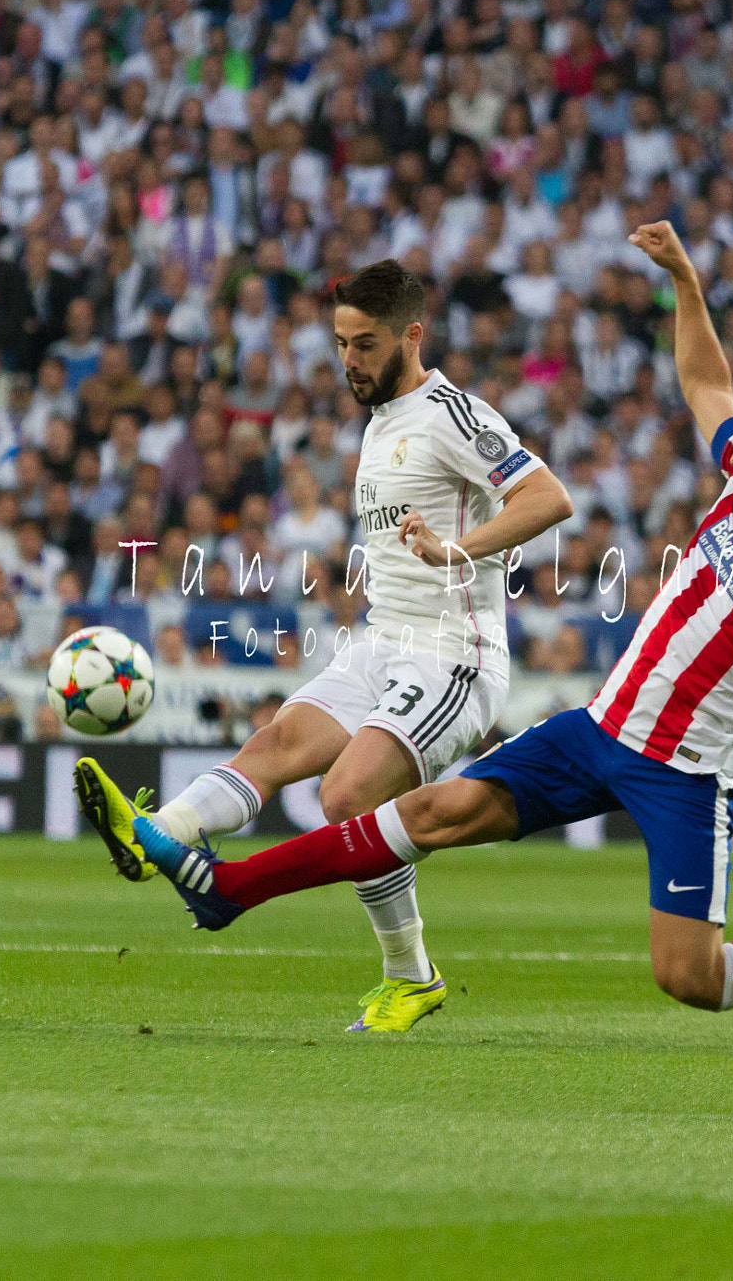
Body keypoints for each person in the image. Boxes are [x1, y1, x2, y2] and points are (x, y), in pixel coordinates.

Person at [76, 223, 733, 1049]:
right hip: (599, 729)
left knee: (689, 977)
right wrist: (686, 285)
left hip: (686, 770)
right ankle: (227, 889)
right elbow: (707, 384)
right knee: (425, 812)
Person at [76, 259, 574, 1032]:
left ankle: (410, 976)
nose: (349, 361)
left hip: (454, 656)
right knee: (274, 743)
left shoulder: (452, 414)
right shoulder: (380, 422)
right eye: (341, 343)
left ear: (411, 335)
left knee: (346, 795)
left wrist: (460, 550)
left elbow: (549, 496)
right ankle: (156, 839)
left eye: (365, 344)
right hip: (382, 642)